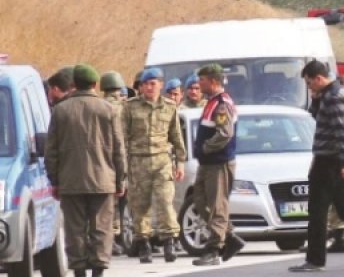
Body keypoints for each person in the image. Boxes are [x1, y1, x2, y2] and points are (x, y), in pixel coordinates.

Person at [45, 64, 126, 277]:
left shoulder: (61, 111)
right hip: (103, 180)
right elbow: (119, 150)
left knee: (75, 229)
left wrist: (55, 180)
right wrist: (120, 180)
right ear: (95, 84)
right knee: (102, 228)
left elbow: (51, 151)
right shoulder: (108, 109)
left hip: (70, 181)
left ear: (73, 84)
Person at [289, 61, 344, 272]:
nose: (309, 88)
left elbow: (342, 132)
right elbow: (316, 115)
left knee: (318, 210)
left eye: (310, 83)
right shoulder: (335, 93)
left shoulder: (334, 96)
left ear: (319, 78)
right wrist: (316, 98)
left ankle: (316, 259)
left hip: (330, 160)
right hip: (332, 159)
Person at [122, 68, 187, 264]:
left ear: (160, 85)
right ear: (141, 87)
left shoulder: (169, 107)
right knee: (139, 205)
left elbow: (176, 136)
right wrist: (122, 165)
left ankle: (169, 241)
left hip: (162, 162)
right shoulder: (130, 107)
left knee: (165, 202)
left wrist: (180, 162)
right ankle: (144, 243)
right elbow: (122, 137)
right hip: (138, 161)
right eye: (145, 84)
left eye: (153, 84)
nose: (149, 87)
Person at [191, 64, 246, 266]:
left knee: (217, 205)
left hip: (218, 163)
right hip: (207, 163)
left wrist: (206, 147)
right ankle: (229, 237)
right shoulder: (212, 103)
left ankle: (214, 249)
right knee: (200, 200)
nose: (199, 84)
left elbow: (225, 133)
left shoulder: (222, 104)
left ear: (213, 81)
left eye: (202, 80)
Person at [100, 71, 128, 256]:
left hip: (103, 158)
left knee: (109, 203)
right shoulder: (126, 107)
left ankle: (110, 238)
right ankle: (121, 238)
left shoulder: (100, 106)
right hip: (124, 156)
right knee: (123, 199)